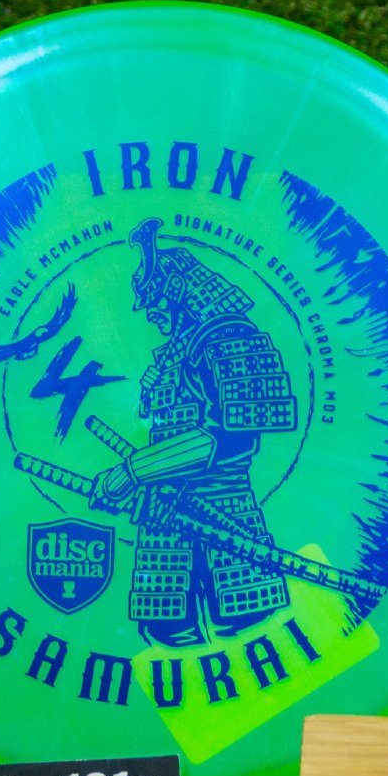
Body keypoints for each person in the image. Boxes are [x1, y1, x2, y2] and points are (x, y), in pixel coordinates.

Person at [89, 216, 299, 647]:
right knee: (166, 639)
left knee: (251, 633)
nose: (149, 314)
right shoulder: (171, 356)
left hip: (223, 512)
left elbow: (229, 440)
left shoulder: (232, 340)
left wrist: (131, 472)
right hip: (163, 518)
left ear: (178, 289)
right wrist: (140, 477)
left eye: (154, 301)